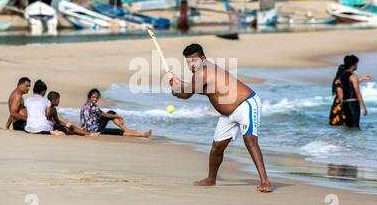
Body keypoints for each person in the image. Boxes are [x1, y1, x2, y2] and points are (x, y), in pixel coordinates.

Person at [170, 43, 272, 193]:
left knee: (250, 141)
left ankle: (265, 181)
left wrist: (176, 90)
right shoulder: (201, 72)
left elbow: (185, 94)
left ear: (203, 58)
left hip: (246, 104)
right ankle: (211, 179)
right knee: (216, 147)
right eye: (188, 62)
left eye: (194, 60)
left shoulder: (203, 72)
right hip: (227, 114)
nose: (191, 64)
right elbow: (203, 89)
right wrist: (179, 84)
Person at [80, 89, 152, 138]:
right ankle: (142, 135)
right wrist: (119, 116)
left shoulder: (85, 105)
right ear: (89, 97)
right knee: (117, 131)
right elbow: (104, 115)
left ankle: (127, 130)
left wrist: (83, 127)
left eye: (97, 98)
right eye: (93, 97)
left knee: (111, 113)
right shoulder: (92, 106)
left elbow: (83, 119)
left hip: (90, 127)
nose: (95, 99)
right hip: (94, 129)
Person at [339, 55, 369, 128]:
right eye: (356, 64)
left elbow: (348, 86)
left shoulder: (342, 75)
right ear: (352, 65)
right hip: (353, 104)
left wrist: (361, 79)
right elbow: (357, 91)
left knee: (348, 127)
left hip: (345, 104)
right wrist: (363, 107)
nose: (357, 65)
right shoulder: (353, 76)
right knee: (355, 127)